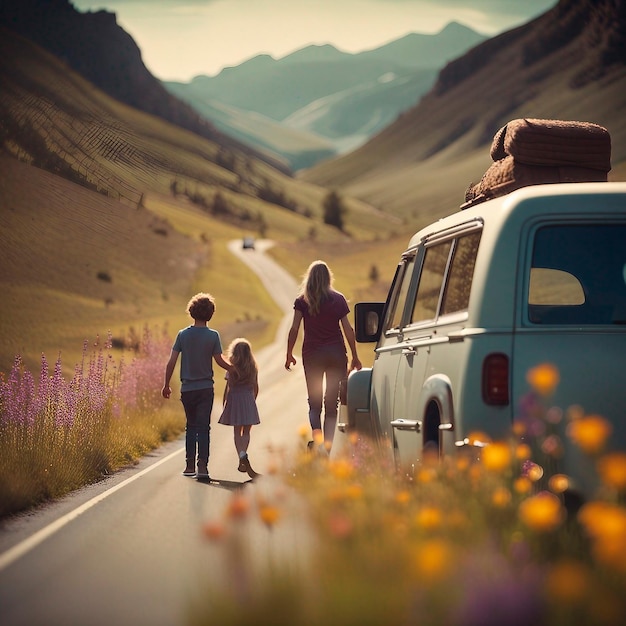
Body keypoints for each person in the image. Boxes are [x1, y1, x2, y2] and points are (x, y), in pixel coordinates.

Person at [285, 260, 362, 453]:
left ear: (309, 278)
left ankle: (318, 441)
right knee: (331, 404)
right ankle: (327, 448)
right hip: (336, 354)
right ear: (328, 278)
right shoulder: (338, 299)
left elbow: (294, 328)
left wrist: (289, 354)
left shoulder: (302, 301)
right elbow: (348, 329)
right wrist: (354, 355)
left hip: (312, 356)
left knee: (314, 402)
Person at [162, 292, 230, 480]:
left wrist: (166, 385)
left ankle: (189, 464)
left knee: (191, 426)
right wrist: (236, 369)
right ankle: (203, 467)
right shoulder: (213, 336)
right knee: (204, 427)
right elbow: (220, 361)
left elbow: (171, 362)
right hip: (205, 389)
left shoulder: (183, 335)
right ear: (210, 313)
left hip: (187, 390)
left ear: (192, 312)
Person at [218, 338, 261, 479]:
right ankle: (244, 454)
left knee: (237, 431)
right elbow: (256, 387)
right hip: (248, 399)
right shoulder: (253, 368)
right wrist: (252, 400)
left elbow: (227, 387)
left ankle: (241, 455)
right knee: (247, 431)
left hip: (234, 400)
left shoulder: (231, 368)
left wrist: (224, 401)